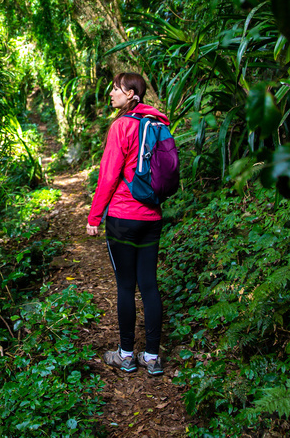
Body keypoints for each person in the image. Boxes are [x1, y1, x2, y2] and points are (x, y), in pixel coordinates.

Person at [86, 72, 168, 376]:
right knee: (149, 284)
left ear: (131, 95)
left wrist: (95, 216)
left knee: (125, 286)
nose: (111, 93)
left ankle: (125, 355)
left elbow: (108, 175)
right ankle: (152, 357)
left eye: (117, 89)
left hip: (123, 217)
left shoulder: (122, 126)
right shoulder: (158, 123)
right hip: (152, 217)